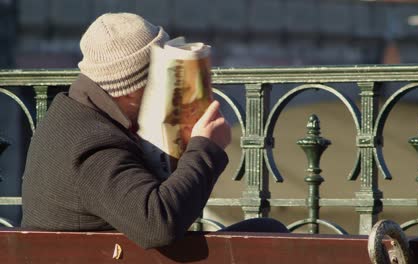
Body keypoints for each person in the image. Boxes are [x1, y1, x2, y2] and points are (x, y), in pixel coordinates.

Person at [21, 13, 287, 249]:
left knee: (265, 233)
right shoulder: (91, 143)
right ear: (136, 87)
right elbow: (158, 224)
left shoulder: (73, 115)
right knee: (270, 238)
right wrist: (206, 148)